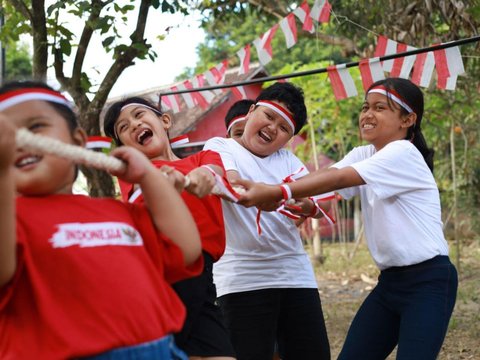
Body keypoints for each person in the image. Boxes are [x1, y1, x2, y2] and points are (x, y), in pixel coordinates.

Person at [237, 78, 458, 360]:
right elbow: (322, 180)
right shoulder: (365, 154)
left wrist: (279, 191)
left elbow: (339, 177)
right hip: (390, 284)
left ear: (408, 119)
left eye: (380, 108)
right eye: (365, 107)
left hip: (429, 281)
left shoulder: (403, 153)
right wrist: (302, 201)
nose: (367, 114)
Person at [0, 81, 204, 359]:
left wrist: (149, 176)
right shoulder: (11, 221)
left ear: (77, 141)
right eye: (6, 135)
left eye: (34, 127)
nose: (18, 141)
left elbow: (186, 249)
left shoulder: (117, 211)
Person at [203, 82, 331, 360]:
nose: (273, 128)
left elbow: (316, 204)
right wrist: (273, 195)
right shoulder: (221, 146)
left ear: (289, 139)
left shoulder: (289, 160)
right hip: (241, 278)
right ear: (251, 112)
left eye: (284, 127)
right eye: (269, 116)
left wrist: (299, 201)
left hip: (295, 275)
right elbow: (232, 183)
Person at [103, 97, 236, 360]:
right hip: (163, 276)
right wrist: (159, 182)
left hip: (203, 277)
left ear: (164, 120)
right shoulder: (137, 171)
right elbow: (140, 199)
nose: (134, 124)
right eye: (123, 128)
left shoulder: (202, 158)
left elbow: (215, 170)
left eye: (139, 115)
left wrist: (204, 174)